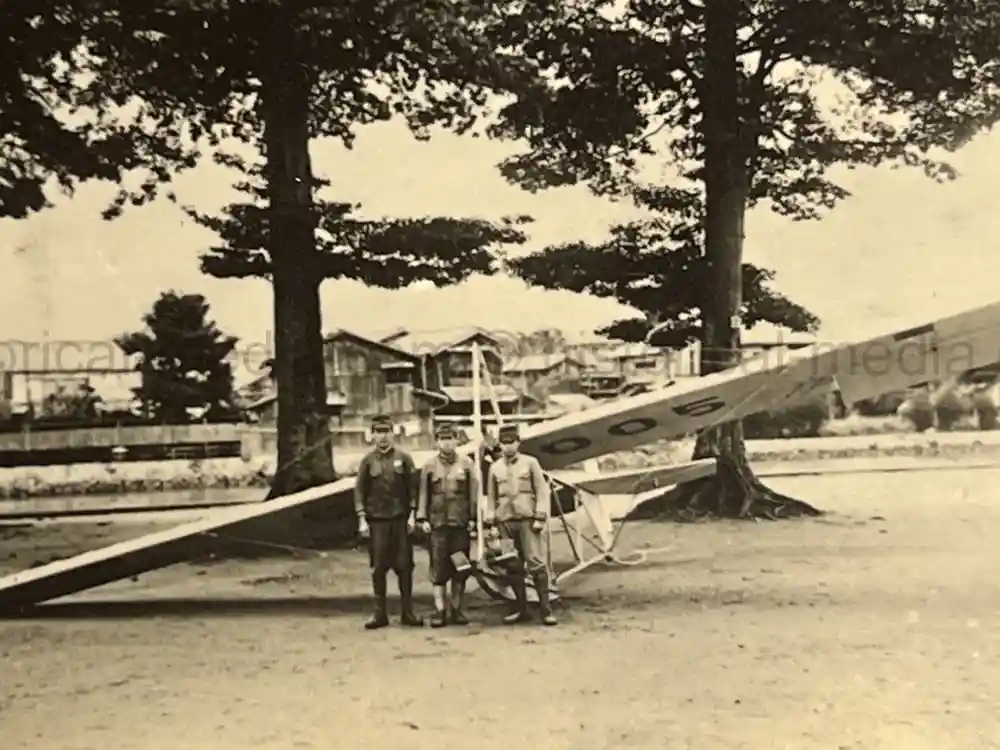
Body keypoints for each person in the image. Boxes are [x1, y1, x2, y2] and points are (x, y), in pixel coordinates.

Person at [353, 414, 423, 630]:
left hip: (400, 521)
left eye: (386, 432)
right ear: (372, 435)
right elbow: (359, 491)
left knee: (405, 566)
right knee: (379, 568)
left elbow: (413, 489)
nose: (383, 437)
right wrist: (362, 519)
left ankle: (407, 612)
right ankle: (379, 614)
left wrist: (413, 515)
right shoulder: (367, 461)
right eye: (378, 432)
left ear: (393, 434)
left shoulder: (404, 458)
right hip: (378, 522)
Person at [485, 423, 557, 626]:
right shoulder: (495, 468)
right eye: (505, 443)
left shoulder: (530, 463)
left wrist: (540, 516)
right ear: (500, 444)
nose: (508, 447)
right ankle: (522, 609)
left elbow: (542, 491)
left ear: (518, 442)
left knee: (536, 563)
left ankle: (545, 610)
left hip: (528, 520)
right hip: (505, 522)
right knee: (512, 564)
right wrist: (491, 520)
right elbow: (491, 497)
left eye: (512, 442)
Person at [416, 423, 479, 627]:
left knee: (460, 569)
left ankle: (456, 610)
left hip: (460, 523)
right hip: (437, 525)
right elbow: (423, 494)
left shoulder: (467, 464)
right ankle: (440, 611)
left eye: (450, 439)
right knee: (438, 569)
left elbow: (473, 495)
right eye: (443, 439)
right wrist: (422, 518)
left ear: (456, 440)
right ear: (437, 442)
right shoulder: (429, 466)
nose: (446, 443)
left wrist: (472, 520)